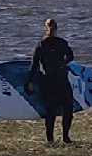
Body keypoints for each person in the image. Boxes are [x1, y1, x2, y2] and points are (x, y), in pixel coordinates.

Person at [24, 17, 77, 145]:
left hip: (49, 79)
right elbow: (71, 56)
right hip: (60, 79)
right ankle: (64, 137)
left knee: (52, 110)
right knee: (66, 109)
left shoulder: (42, 44)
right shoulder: (60, 43)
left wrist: (29, 81)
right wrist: (63, 63)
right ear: (56, 29)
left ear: (45, 29)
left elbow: (34, 65)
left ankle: (52, 139)